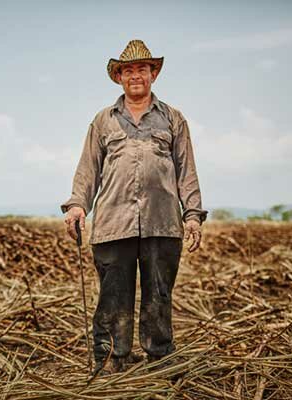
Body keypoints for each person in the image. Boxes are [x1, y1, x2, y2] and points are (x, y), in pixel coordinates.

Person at [60, 39, 208, 375]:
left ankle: (159, 361)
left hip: (163, 223)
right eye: (128, 70)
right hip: (113, 224)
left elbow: (187, 171)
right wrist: (77, 205)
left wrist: (194, 216)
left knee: (158, 297)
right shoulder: (103, 121)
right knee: (113, 298)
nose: (135, 75)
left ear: (153, 74)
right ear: (119, 77)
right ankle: (113, 361)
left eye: (142, 68)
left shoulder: (173, 119)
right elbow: (88, 169)